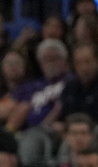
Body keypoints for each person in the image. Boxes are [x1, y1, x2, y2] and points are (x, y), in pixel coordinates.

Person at [8, 39, 72, 167]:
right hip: (26, 132)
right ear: (40, 63)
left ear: (65, 61)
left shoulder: (71, 82)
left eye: (54, 58)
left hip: (55, 132)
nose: (50, 63)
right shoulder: (31, 86)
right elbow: (8, 106)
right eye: (45, 60)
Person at [62, 45, 98, 125]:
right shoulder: (70, 85)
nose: (83, 68)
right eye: (78, 63)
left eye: (88, 62)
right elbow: (63, 114)